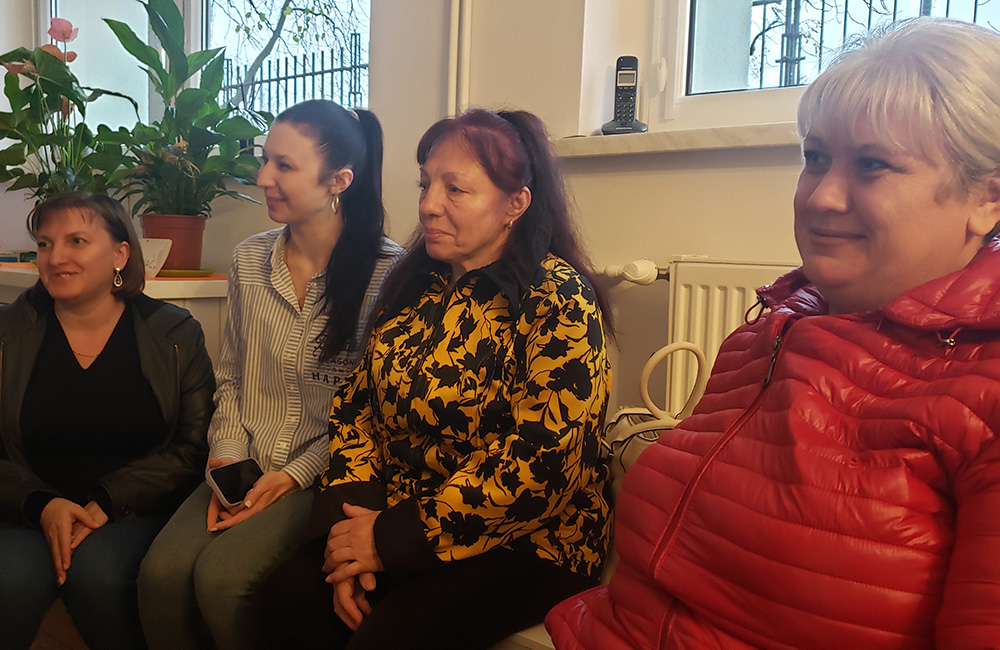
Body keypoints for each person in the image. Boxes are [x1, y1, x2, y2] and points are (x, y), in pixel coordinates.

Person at [547, 17, 1000, 650]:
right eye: (815, 159)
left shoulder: (984, 390)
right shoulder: (767, 336)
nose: (822, 198)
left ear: (986, 199)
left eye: (872, 166)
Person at [254, 108, 614, 650]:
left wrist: (393, 541)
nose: (427, 205)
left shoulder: (556, 298)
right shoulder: (414, 287)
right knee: (283, 603)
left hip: (528, 540)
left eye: (456, 190)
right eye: (425, 184)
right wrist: (351, 535)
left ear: (515, 203)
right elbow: (357, 410)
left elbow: (544, 460)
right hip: (394, 517)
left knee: (390, 637)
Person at [138, 100, 404, 650]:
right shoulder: (248, 260)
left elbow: (373, 414)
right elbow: (231, 378)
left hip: (318, 474)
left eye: (284, 165)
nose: (263, 178)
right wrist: (228, 459)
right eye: (265, 161)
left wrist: (290, 476)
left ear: (339, 181)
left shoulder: (390, 274)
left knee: (223, 580)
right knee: (160, 576)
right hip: (243, 458)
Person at [0, 192, 215, 650]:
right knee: (9, 581)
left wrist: (106, 498)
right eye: (44, 244)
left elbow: (191, 446)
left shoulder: (174, 333)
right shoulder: (7, 333)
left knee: (99, 576)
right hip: (24, 507)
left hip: (131, 508)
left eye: (76, 241)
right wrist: (42, 503)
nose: (55, 257)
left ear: (121, 253)